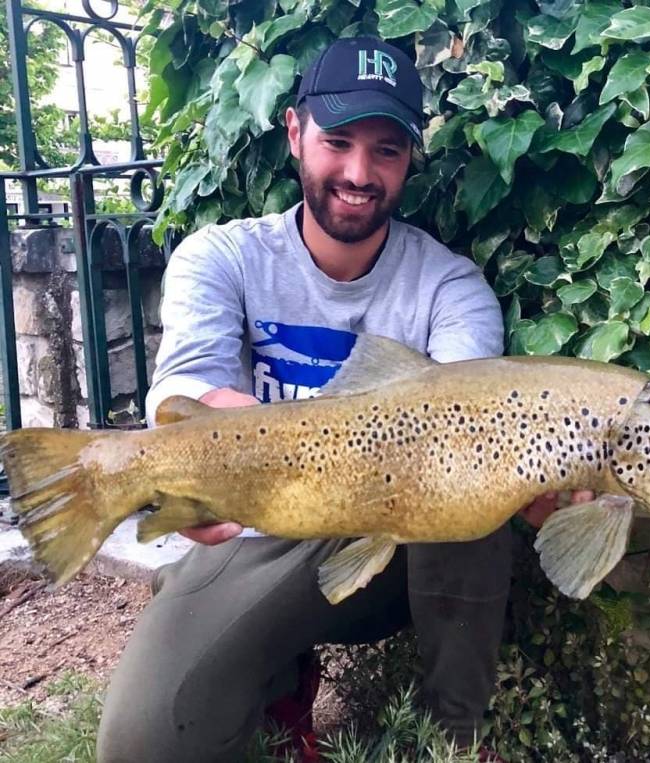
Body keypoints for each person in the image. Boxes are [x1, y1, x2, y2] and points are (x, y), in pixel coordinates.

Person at [96, 36, 589, 763]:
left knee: (477, 476)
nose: (360, 173)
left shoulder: (452, 288)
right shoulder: (221, 255)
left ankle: (452, 741)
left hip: (397, 545)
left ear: (410, 158)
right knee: (143, 743)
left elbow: (464, 420)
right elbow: (181, 388)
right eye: (338, 142)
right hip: (257, 527)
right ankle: (277, 680)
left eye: (386, 150)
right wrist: (200, 471)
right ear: (294, 132)